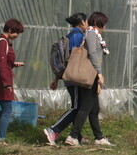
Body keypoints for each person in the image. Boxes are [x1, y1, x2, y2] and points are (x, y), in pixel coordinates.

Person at [64, 11, 113, 147]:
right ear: (97, 23)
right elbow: (92, 53)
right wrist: (99, 73)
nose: (104, 27)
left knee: (94, 109)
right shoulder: (91, 33)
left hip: (91, 75)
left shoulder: (93, 34)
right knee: (85, 108)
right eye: (103, 24)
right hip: (89, 75)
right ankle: (73, 136)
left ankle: (99, 137)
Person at [44, 12, 88, 145]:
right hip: (75, 77)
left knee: (78, 105)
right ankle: (53, 130)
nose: (87, 25)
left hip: (69, 76)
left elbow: (64, 59)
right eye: (86, 22)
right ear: (82, 23)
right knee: (76, 107)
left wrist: (56, 79)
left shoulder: (69, 36)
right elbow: (74, 59)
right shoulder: (78, 36)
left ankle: (77, 135)